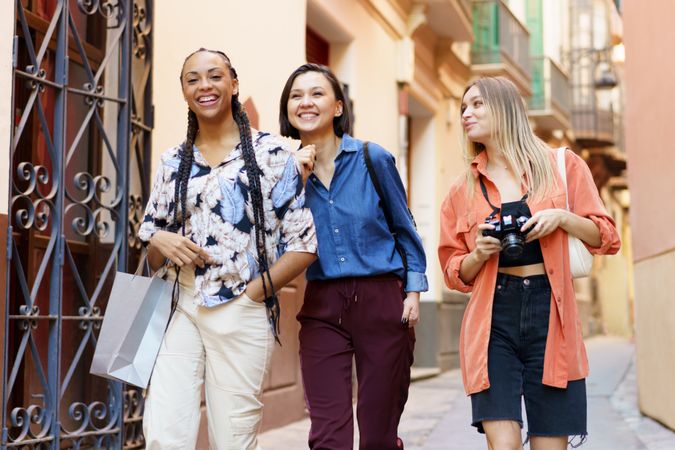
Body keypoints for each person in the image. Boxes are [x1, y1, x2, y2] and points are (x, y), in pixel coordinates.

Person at [138, 48, 317, 449]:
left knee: (234, 435)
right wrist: (158, 239)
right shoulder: (173, 161)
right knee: (164, 430)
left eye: (214, 76)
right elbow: (151, 257)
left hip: (241, 308)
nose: (204, 85)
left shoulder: (274, 155)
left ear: (233, 84)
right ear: (184, 92)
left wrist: (255, 294)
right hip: (179, 307)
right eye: (192, 79)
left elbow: (304, 246)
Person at [438, 76, 620, 450]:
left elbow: (606, 237)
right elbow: (453, 272)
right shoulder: (463, 189)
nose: (466, 114)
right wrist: (478, 255)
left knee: (549, 445)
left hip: (551, 317)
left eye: (477, 104)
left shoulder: (562, 166)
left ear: (505, 108)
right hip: (493, 320)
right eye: (462, 108)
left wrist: (563, 218)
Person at [278, 63, 428, 450]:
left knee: (377, 434)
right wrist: (294, 181)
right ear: (288, 108)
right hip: (322, 304)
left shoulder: (372, 159)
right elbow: (273, 240)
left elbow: (404, 228)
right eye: (297, 95)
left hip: (382, 300)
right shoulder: (282, 171)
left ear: (338, 107)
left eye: (317, 93)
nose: (306, 102)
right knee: (328, 436)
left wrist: (412, 292)